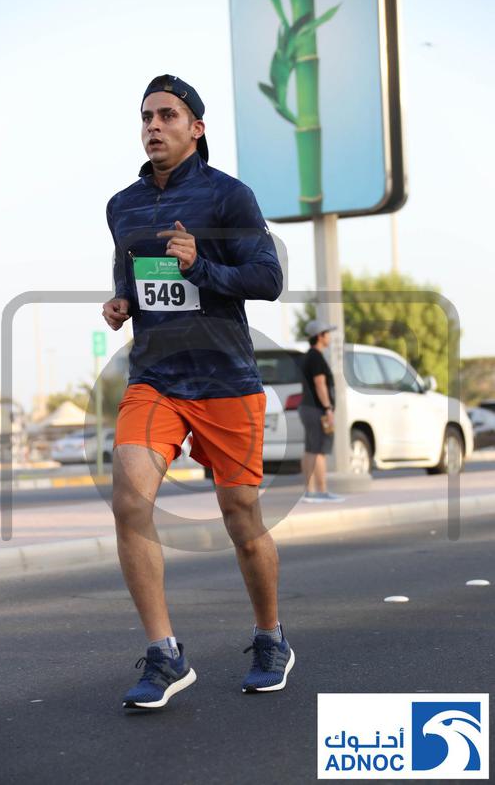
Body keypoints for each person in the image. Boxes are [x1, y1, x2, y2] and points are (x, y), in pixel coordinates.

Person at [102, 74, 295, 710]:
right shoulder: (122, 205)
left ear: (196, 128)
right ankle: (165, 654)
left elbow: (267, 278)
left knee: (242, 518)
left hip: (224, 379)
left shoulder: (228, 196)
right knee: (129, 500)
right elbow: (130, 272)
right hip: (155, 377)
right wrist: (122, 302)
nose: (154, 126)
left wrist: (200, 266)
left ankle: (270, 637)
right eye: (147, 117)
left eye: (167, 115)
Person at [298, 320, 345, 503]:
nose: (330, 337)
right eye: (327, 333)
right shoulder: (316, 357)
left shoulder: (308, 356)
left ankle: (310, 491)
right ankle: (321, 491)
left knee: (310, 449)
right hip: (317, 409)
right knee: (318, 451)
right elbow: (320, 384)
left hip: (307, 408)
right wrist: (328, 408)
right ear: (319, 336)